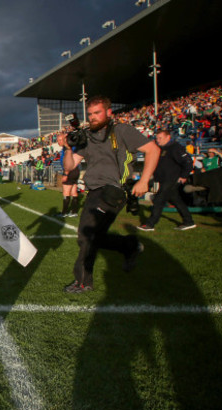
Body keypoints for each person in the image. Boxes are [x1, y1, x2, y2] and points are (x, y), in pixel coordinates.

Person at [57, 95, 160, 293]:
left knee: (86, 234)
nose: (93, 118)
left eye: (97, 113)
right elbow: (70, 166)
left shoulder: (122, 131)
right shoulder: (86, 137)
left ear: (109, 112)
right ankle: (129, 245)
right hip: (94, 191)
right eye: (90, 114)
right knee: (92, 236)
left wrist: (144, 180)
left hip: (113, 189)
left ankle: (83, 282)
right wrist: (68, 148)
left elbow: (153, 150)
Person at [137, 130, 196, 231]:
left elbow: (188, 161)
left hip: (172, 179)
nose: (158, 140)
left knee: (159, 200)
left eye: (160, 138)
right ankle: (188, 221)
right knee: (176, 200)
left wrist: (184, 175)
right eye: (157, 138)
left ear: (168, 137)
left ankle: (150, 224)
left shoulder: (175, 147)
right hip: (163, 179)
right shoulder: (160, 148)